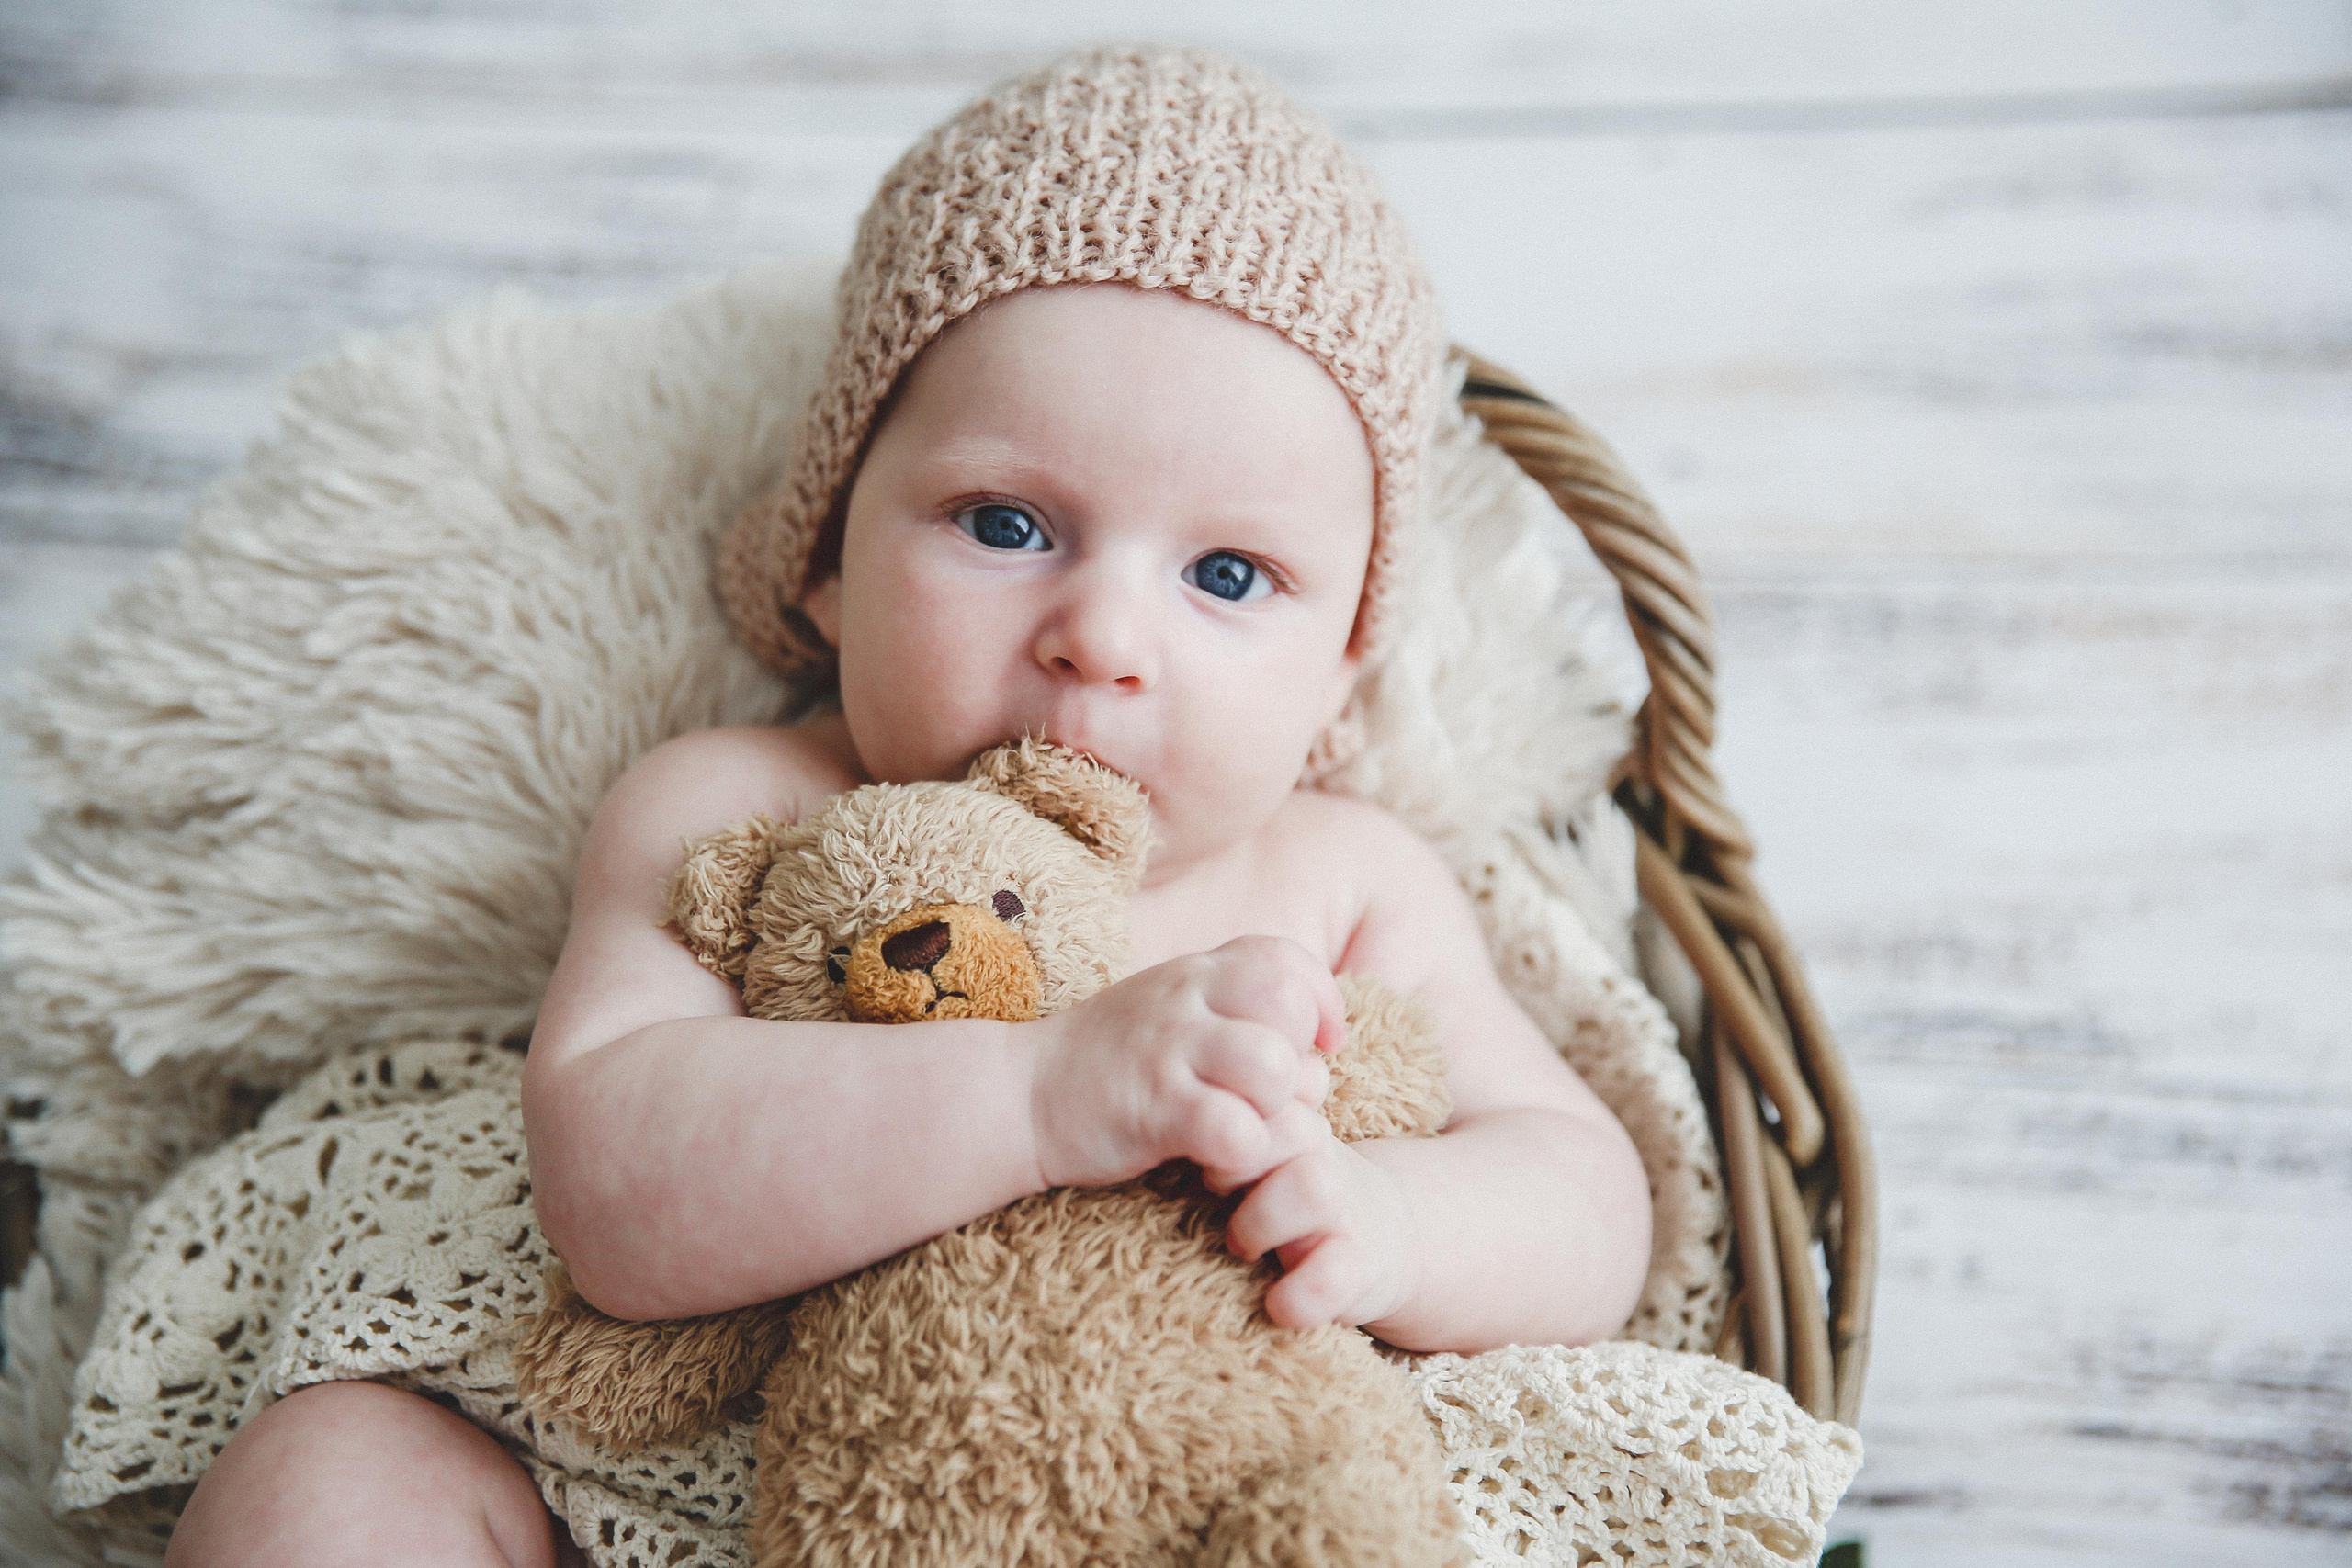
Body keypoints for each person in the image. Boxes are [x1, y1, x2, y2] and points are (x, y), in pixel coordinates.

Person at [165, 44, 1651, 1567]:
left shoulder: (1346, 885)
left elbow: (1590, 1199)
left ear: (1342, 675)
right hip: (684, 1504)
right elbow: (610, 1187)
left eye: (1227, 574)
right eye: (1005, 524)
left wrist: (1395, 1222)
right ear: (825, 556)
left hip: (1195, 1503)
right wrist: (1035, 1095)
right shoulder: (742, 812)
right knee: (328, 1478)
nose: (1103, 637)